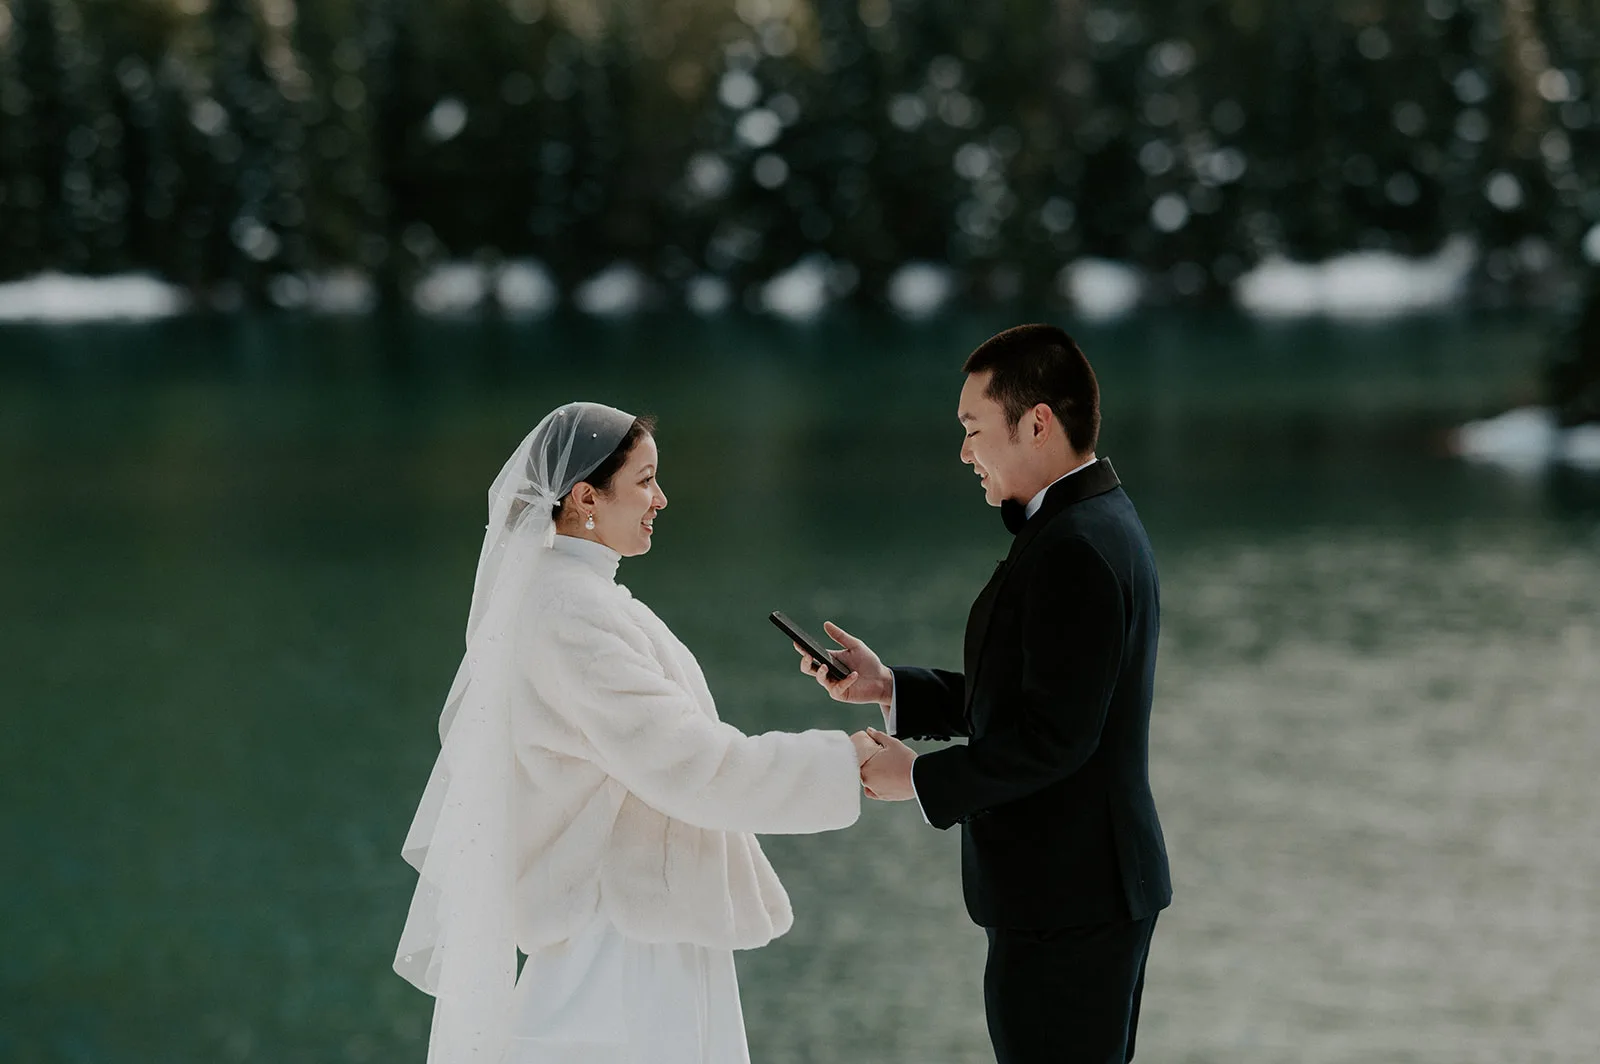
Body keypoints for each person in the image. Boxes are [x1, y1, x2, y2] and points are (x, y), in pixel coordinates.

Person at [395, 401, 877, 1064]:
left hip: (639, 922)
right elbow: (689, 765)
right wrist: (841, 764)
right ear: (586, 496)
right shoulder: (571, 612)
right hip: (619, 940)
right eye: (646, 480)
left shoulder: (582, 598)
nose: (663, 498)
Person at [799, 325, 1172, 1064]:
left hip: (1071, 902)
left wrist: (918, 778)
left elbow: (1056, 739)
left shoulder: (1078, 544)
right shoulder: (1082, 522)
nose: (965, 452)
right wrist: (893, 688)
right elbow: (1040, 697)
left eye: (974, 429)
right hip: (1074, 894)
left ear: (1036, 422)